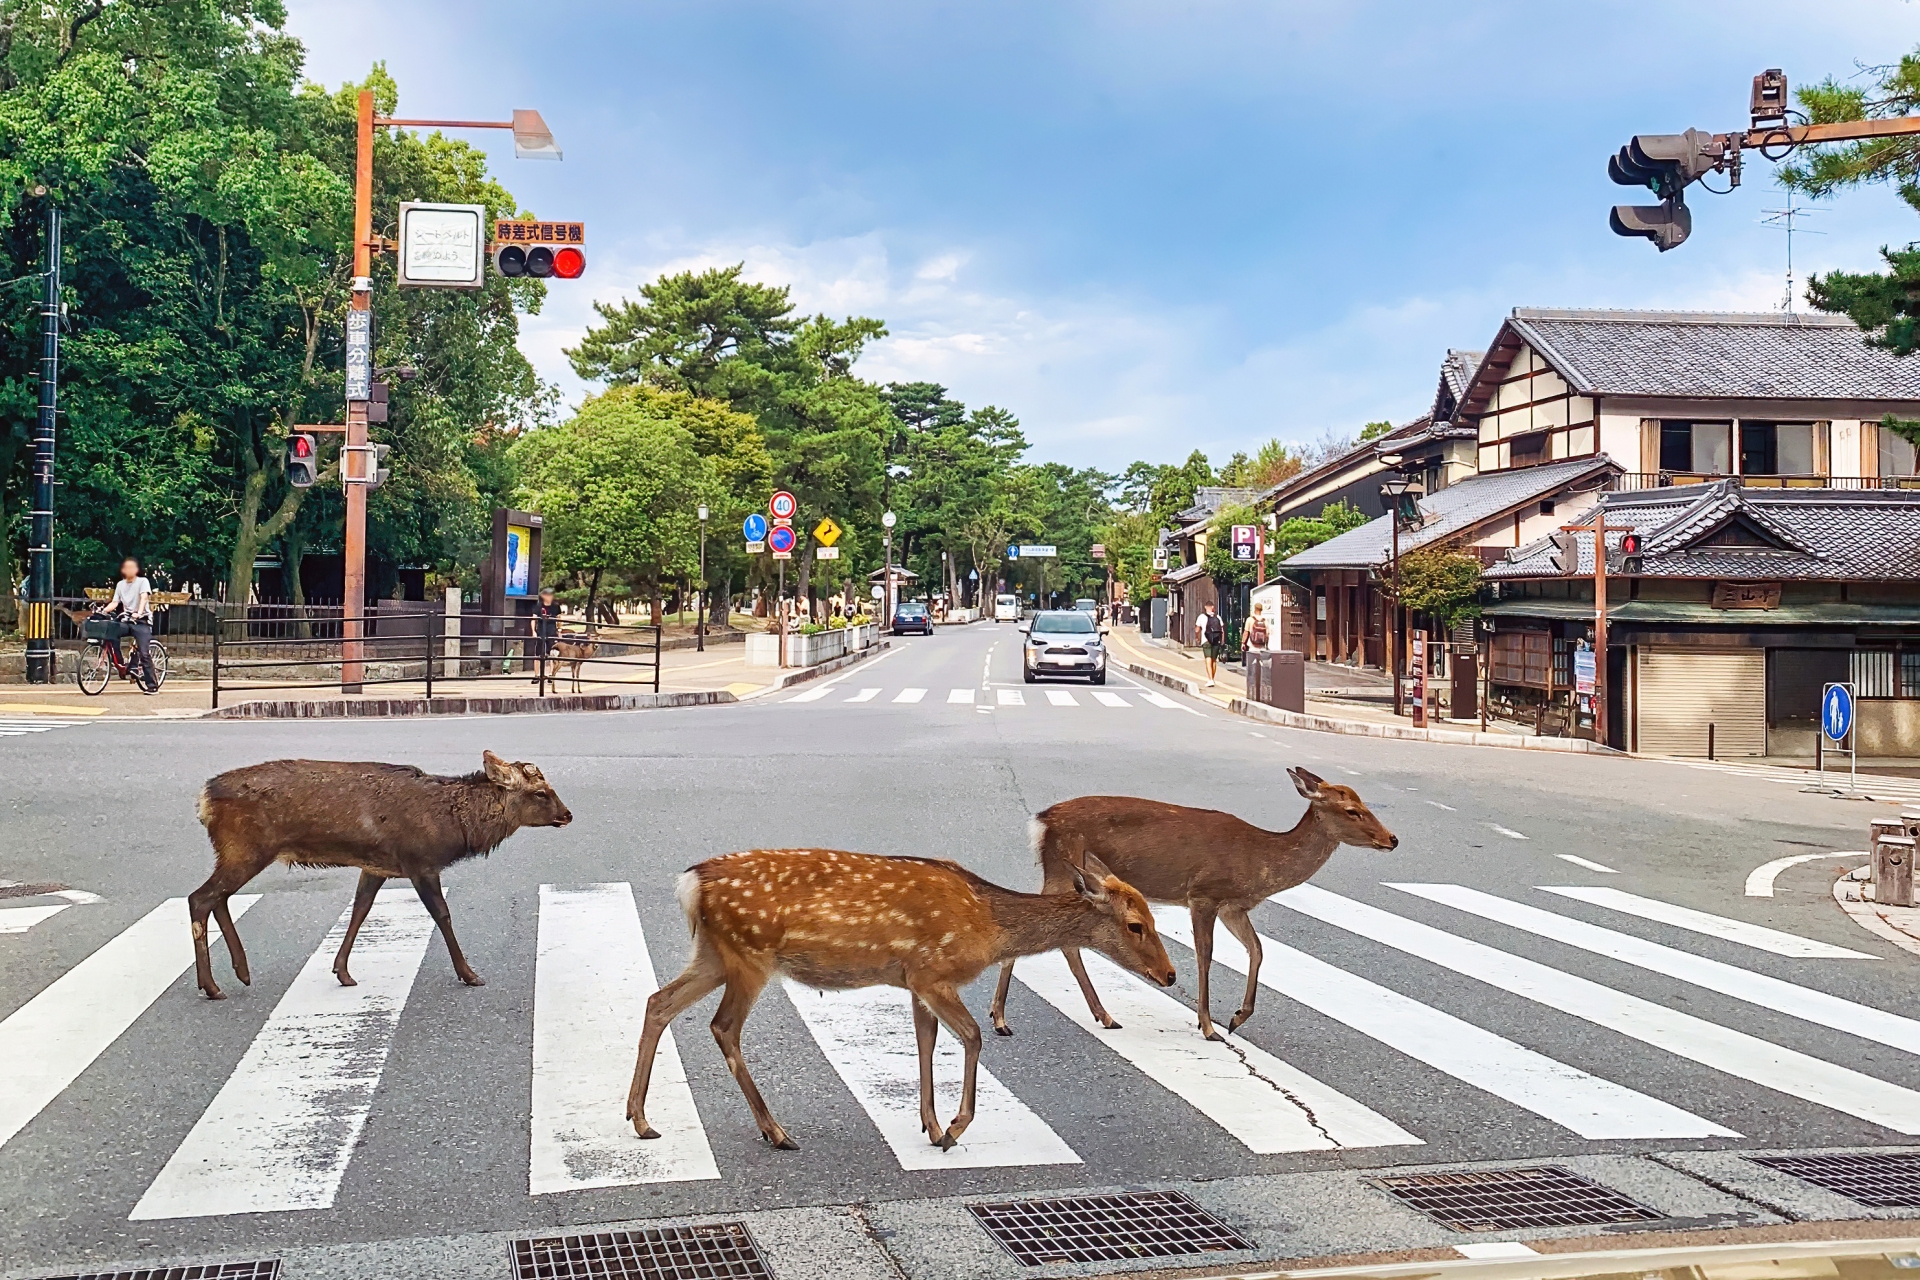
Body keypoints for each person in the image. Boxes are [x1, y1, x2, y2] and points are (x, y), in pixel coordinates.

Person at [101, 557, 157, 693]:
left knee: (144, 653)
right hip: (126, 620)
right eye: (126, 567)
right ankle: (122, 664)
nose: (129, 570)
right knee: (111, 631)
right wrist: (102, 611)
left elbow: (144, 597)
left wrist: (139, 612)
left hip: (141, 620)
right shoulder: (120, 585)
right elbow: (115, 603)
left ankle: (152, 685)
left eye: (132, 567)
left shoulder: (143, 582)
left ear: (137, 569)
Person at [532, 586, 562, 688]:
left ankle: (551, 675)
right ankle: (537, 675)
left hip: (552, 631)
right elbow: (533, 618)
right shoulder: (539, 606)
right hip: (541, 632)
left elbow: (559, 619)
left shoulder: (555, 607)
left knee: (552, 653)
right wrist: (533, 631)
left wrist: (559, 630)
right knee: (538, 653)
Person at [1194, 601, 1226, 687]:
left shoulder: (1201, 617)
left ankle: (1210, 679)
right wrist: (1222, 641)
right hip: (1216, 640)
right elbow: (1222, 630)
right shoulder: (1218, 617)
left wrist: (1197, 638)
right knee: (1214, 660)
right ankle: (1212, 678)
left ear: (1205, 607)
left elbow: (1197, 630)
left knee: (1208, 659)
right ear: (1213, 607)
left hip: (1206, 640)